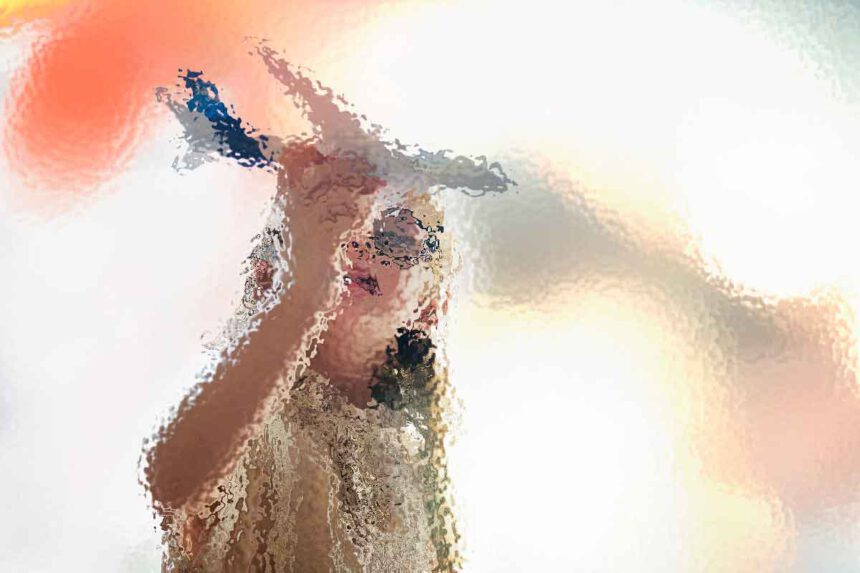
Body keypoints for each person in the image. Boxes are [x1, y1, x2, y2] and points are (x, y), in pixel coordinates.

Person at [144, 45, 513, 572]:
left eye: (395, 237)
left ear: (429, 306)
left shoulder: (413, 473)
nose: (355, 244)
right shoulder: (249, 426)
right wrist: (307, 287)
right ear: (267, 276)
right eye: (326, 226)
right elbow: (172, 481)